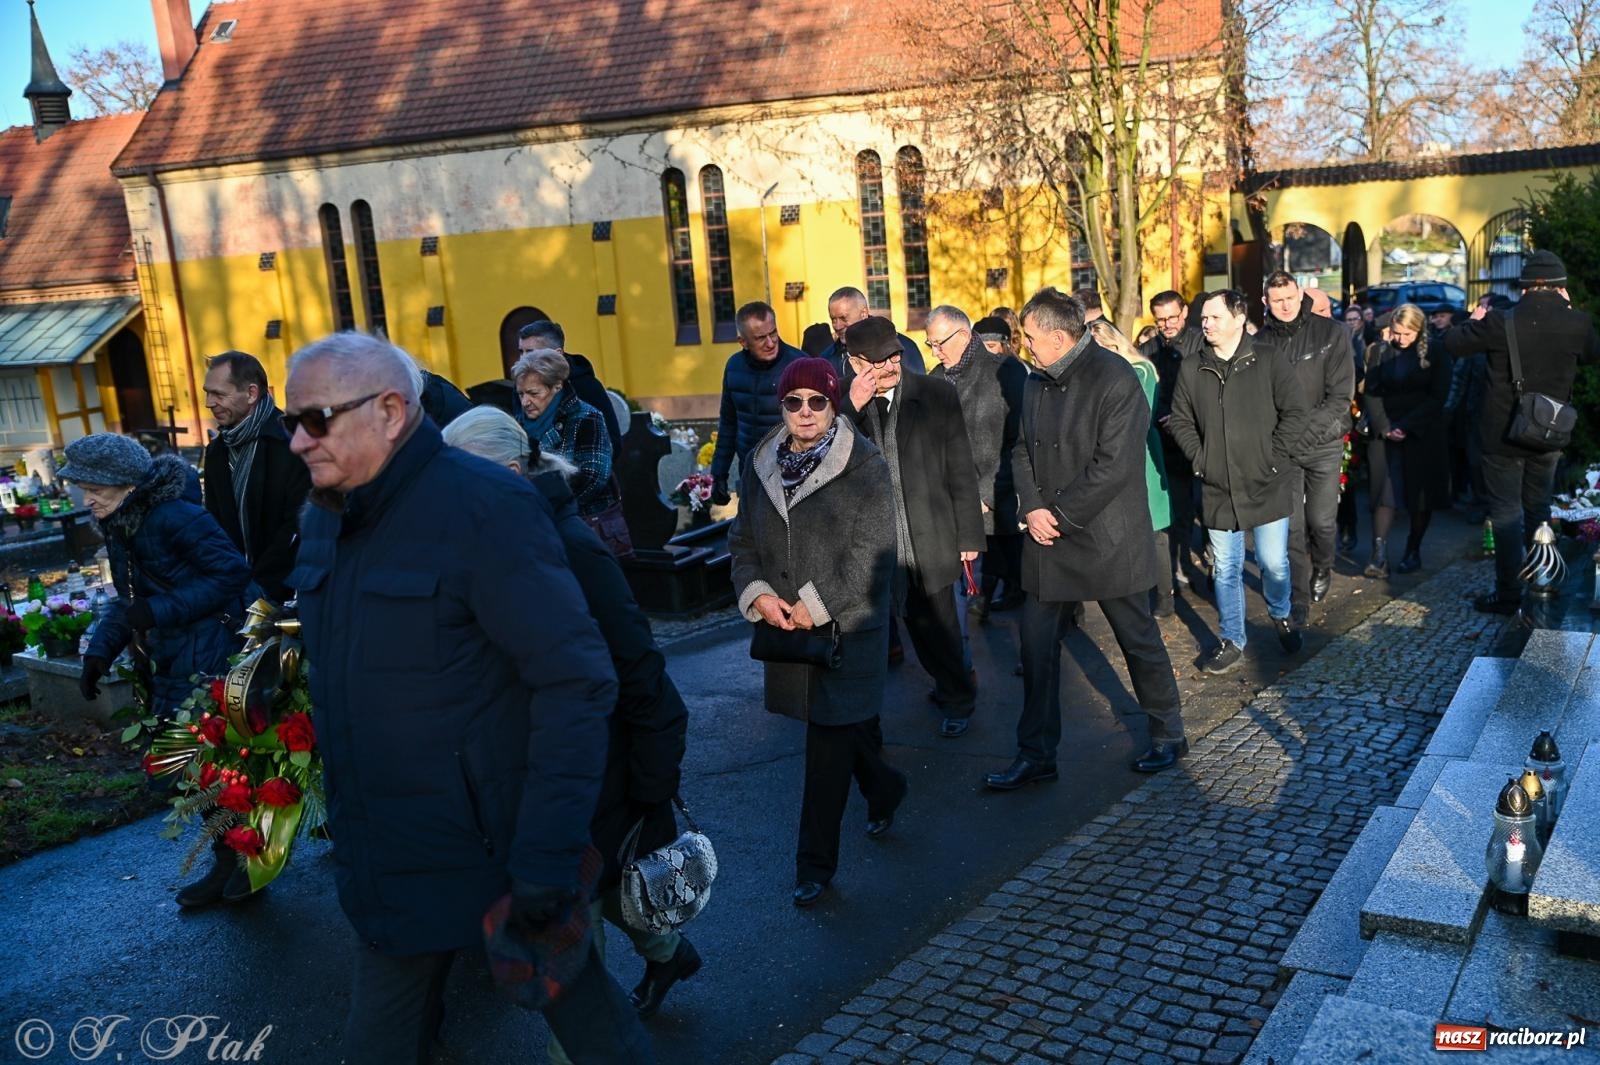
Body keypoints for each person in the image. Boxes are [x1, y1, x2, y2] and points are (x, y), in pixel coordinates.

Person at [283, 333, 650, 1065]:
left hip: (503, 861)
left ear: (391, 410)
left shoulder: (486, 506)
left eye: (316, 419)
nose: (296, 440)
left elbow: (576, 681)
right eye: (292, 420)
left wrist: (545, 861)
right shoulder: (324, 519)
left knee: (595, 1035)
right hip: (388, 864)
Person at [440, 407, 699, 1044]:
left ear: (505, 472)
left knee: (570, 949)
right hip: (540, 764)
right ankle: (668, 952)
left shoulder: (571, 545)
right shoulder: (495, 541)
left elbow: (638, 663)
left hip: (592, 765)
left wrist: (651, 779)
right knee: (598, 885)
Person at [986, 288, 1187, 787]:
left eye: (1031, 338)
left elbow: (1113, 468)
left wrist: (1056, 514)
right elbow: (1021, 450)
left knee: (1137, 639)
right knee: (1036, 648)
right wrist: (1032, 507)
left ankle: (1168, 733)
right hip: (1047, 537)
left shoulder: (1116, 378)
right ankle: (1036, 754)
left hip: (1106, 538)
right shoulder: (1036, 379)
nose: (1025, 346)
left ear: (1058, 338)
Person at [727, 357, 904, 908]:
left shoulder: (865, 466)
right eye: (792, 401)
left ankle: (814, 865)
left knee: (826, 747)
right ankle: (885, 786)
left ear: (834, 404)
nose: (804, 412)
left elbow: (873, 554)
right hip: (789, 628)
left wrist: (814, 606)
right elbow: (742, 544)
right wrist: (757, 592)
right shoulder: (760, 461)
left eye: (817, 401)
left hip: (846, 627)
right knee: (843, 730)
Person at [65, 434, 251, 907]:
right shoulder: (123, 521)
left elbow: (232, 574)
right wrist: (99, 654)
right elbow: (131, 600)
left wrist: (160, 611)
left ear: (126, 484)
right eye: (82, 487)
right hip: (172, 656)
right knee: (198, 772)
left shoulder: (174, 516)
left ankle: (247, 864)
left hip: (208, 653)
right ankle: (230, 861)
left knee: (216, 768)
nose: (86, 498)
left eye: (95, 488)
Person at [842, 315, 984, 738]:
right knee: (915, 630)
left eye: (895, 357)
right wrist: (851, 406)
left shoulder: (935, 394)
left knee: (942, 628)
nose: (889, 367)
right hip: (883, 546)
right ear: (855, 363)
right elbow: (832, 461)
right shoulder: (847, 407)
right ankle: (947, 684)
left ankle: (960, 696)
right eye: (878, 361)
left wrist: (969, 537)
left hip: (933, 534)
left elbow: (961, 468)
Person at [1442, 250, 1600, 613]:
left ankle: (1508, 593)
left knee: (1506, 513)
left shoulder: (1500, 320)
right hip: (1550, 432)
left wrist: (1473, 318)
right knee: (1538, 507)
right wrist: (1570, 308)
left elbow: (1451, 344)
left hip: (1502, 436)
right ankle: (1544, 580)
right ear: (1560, 287)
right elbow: (1593, 353)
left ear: (1525, 287)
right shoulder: (1577, 322)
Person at [1167, 290, 1307, 674]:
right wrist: (1201, 458)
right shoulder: (1193, 366)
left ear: (1238, 319)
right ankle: (1232, 639)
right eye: (1204, 318)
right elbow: (1179, 419)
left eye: (1212, 317)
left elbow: (1295, 411)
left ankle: (1280, 614)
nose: (1205, 324)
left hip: (1267, 481)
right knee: (1226, 567)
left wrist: (1273, 458)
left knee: (1272, 562)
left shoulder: (1268, 358)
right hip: (1217, 485)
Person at [1261, 271, 1357, 620]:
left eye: (1289, 297)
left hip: (1324, 443)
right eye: (1277, 300)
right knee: (1292, 528)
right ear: (1266, 303)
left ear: (1299, 294)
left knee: (1321, 521)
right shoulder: (1261, 342)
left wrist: (1301, 433)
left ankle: (1324, 565)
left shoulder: (1332, 333)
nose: (1285, 306)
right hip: (1283, 448)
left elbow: (1339, 396)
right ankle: (1297, 599)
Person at [200, 351, 311, 603]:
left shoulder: (292, 441)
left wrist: (261, 586)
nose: (209, 402)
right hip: (238, 592)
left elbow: (298, 525)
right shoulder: (217, 452)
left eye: (219, 394)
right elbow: (216, 528)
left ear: (251, 393)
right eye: (207, 392)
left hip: (291, 591)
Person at [1089, 319, 1174, 618]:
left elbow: (1138, 414)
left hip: (1143, 454)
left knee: (1154, 530)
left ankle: (1165, 596)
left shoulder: (1140, 369)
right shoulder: (1101, 374)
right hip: (1114, 455)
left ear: (1113, 344)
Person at [1360, 303, 1451, 577]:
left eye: (1406, 334)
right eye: (1397, 333)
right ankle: (1379, 554)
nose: (1400, 339)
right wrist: (1386, 426)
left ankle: (1413, 549)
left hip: (1421, 430)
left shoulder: (1435, 352)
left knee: (1419, 496)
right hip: (1385, 429)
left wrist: (1407, 426)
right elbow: (1372, 392)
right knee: (1383, 492)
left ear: (1419, 331)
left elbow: (1438, 395)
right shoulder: (1381, 351)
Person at [708, 301, 807, 506]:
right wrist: (719, 473)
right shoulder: (733, 367)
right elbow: (728, 423)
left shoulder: (800, 365)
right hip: (750, 475)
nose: (771, 343)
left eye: (773, 333)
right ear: (742, 341)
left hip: (793, 477)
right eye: (761, 338)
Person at [1141, 290, 1207, 594]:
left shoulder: (1202, 342)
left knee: (1206, 509)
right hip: (1166, 443)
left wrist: (1184, 416)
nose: (1167, 324)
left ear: (1183, 313)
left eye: (1172, 317)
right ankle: (1179, 568)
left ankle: (1211, 562)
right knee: (1177, 510)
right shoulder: (1147, 349)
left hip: (1201, 437)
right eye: (1160, 319)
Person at [512, 348, 619, 520]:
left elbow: (593, 478)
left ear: (556, 387)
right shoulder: (517, 425)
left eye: (533, 393)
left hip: (583, 521)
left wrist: (551, 509)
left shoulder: (586, 417)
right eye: (521, 394)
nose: (525, 402)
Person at [968, 315, 1029, 616]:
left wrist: (989, 492)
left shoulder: (1014, 374)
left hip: (1006, 479)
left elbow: (1016, 437)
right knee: (994, 545)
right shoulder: (975, 375)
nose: (986, 352)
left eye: (991, 345)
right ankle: (992, 597)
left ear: (1005, 345)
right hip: (986, 480)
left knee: (1011, 547)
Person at [518, 319, 624, 458]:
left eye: (530, 352)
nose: (523, 358)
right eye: (522, 352)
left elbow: (611, 444)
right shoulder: (522, 389)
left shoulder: (585, 388)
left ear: (557, 353)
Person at [816, 286, 926, 378]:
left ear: (863, 314)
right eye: (833, 320)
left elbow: (918, 391)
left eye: (843, 318)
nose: (837, 326)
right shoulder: (827, 359)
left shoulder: (901, 348)